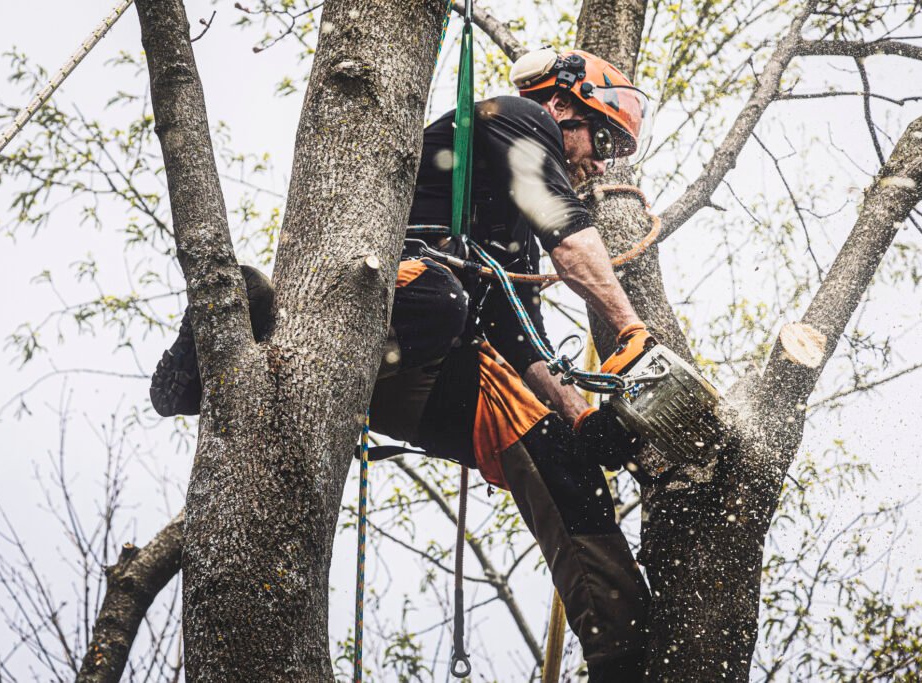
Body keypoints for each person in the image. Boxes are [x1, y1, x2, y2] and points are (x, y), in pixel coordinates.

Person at [150, 49, 657, 681]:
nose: (601, 161)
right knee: (442, 300)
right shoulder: (515, 119)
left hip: (424, 359)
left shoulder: (512, 240)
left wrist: (582, 421)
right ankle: (239, 328)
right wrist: (629, 328)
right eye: (601, 138)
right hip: (382, 306)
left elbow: (524, 345)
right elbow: (567, 226)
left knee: (560, 453)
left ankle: (625, 647)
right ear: (561, 107)